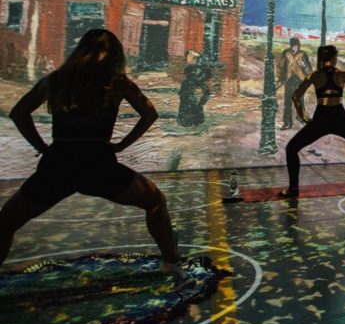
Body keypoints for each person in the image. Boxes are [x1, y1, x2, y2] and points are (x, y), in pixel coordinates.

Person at [0, 29, 181, 276]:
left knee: (6, 221)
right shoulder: (118, 83)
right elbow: (150, 114)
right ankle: (172, 263)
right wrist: (122, 145)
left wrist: (41, 147)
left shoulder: (57, 80)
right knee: (155, 201)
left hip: (59, 164)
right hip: (98, 164)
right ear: (115, 55)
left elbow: (19, 113)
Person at [282, 45, 345, 196]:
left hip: (321, 120)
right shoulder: (342, 74)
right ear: (334, 58)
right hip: (339, 119)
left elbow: (295, 96)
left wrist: (303, 116)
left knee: (291, 149)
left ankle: (293, 189)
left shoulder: (314, 75)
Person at [277, 38, 312, 130]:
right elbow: (280, 67)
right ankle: (287, 122)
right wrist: (280, 79)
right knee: (288, 101)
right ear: (291, 45)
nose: (295, 47)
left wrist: (303, 65)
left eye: (297, 45)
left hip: (300, 80)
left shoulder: (303, 54)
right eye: (294, 45)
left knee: (300, 100)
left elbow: (309, 70)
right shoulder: (286, 53)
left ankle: (301, 117)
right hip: (289, 80)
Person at [177, 50, 212, 127]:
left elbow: (200, 79)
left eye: (189, 57)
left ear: (194, 59)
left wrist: (197, 87)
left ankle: (191, 121)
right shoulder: (190, 67)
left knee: (193, 104)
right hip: (189, 88)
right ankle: (188, 121)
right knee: (188, 104)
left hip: (193, 88)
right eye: (187, 57)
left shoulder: (198, 69)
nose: (187, 59)